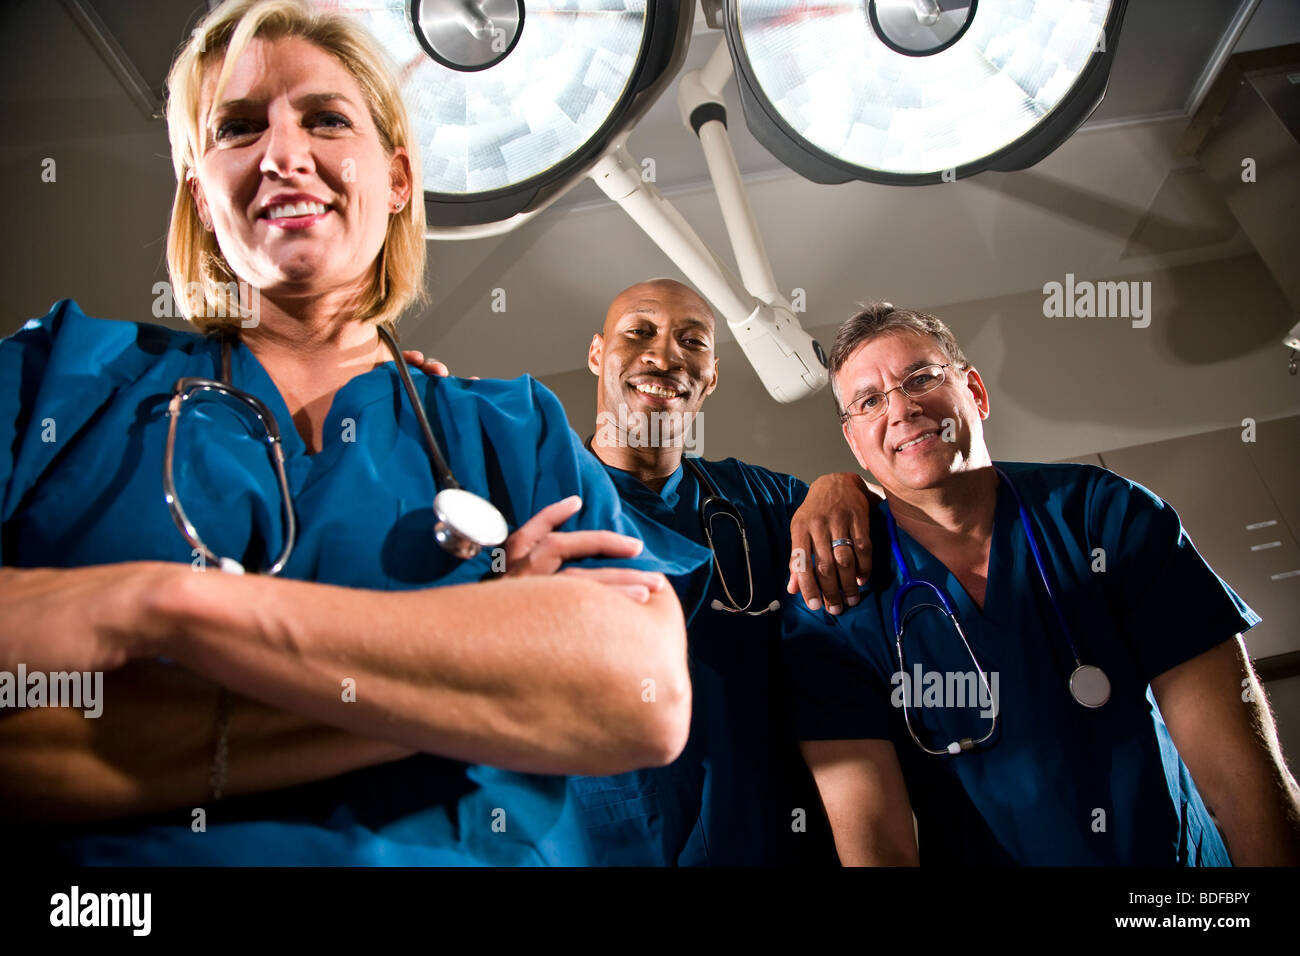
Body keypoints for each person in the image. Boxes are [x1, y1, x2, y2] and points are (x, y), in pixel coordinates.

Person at [0, 0, 712, 865]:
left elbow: (635, 694)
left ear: (399, 178)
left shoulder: (509, 428)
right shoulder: (59, 380)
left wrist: (162, 608)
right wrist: (482, 656)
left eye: (327, 119)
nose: (284, 155)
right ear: (199, 192)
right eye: (237, 128)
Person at [781, 302, 1300, 866]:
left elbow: (1243, 779)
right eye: (869, 400)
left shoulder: (1103, 515)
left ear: (974, 391)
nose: (902, 409)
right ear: (855, 443)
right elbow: (876, 845)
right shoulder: (836, 604)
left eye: (921, 377)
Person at [574, 278, 879, 864]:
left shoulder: (761, 503)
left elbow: (893, 515)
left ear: (710, 376)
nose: (664, 355)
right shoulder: (532, 506)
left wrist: (841, 485)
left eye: (691, 341)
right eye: (639, 332)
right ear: (597, 354)